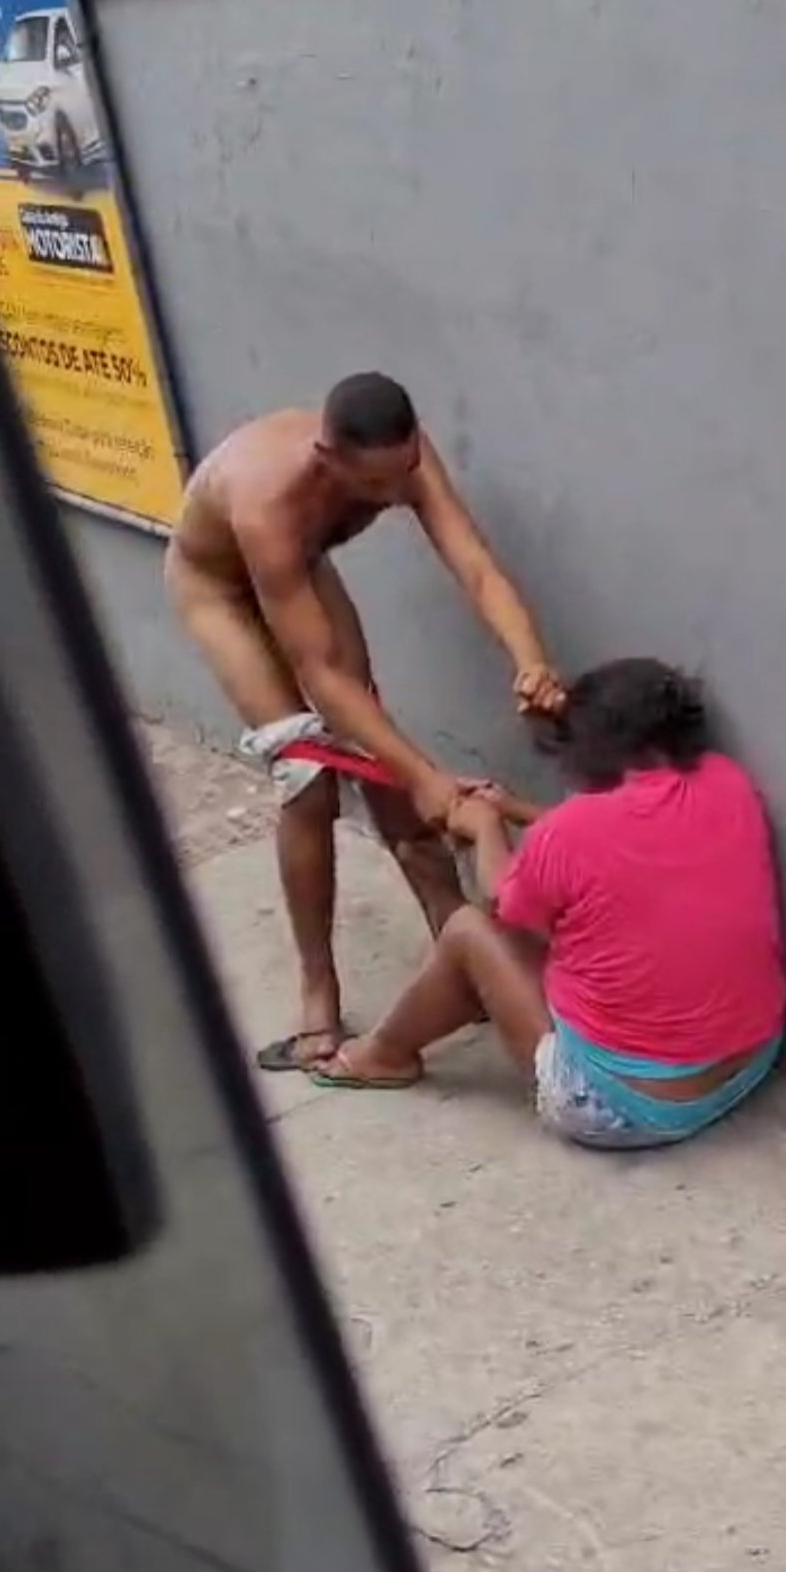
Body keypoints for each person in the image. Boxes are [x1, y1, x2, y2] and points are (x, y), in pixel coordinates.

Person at [165, 373, 563, 1071]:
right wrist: (426, 776)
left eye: (403, 473)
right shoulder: (268, 503)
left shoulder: (404, 457)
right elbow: (322, 674)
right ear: (328, 458)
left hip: (297, 567)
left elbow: (475, 566)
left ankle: (456, 939)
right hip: (217, 587)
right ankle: (318, 998)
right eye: (376, 485)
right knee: (308, 776)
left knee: (379, 752)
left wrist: (531, 660)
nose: (395, 494)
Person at [314, 659, 786, 1150]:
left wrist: (485, 828)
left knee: (469, 932)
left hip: (628, 1111)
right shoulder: (727, 782)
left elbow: (503, 903)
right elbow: (618, 840)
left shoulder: (569, 832)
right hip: (749, 1064)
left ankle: (383, 1055)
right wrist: (515, 809)